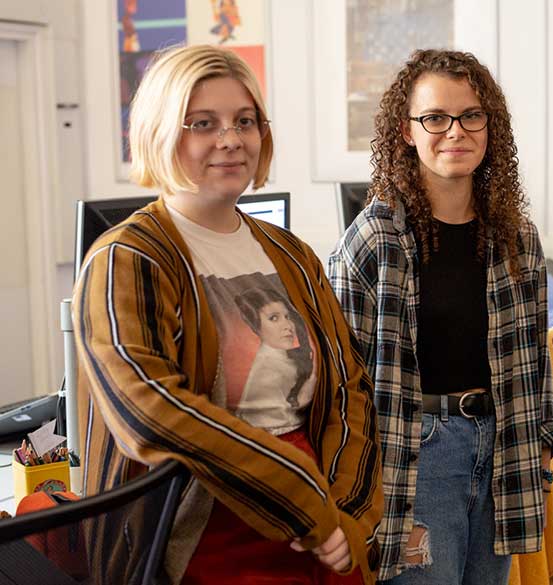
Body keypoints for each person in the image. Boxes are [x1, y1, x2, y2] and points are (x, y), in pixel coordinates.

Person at [72, 45, 383, 585]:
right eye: (202, 123)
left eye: (245, 121)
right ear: (161, 132)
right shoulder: (126, 257)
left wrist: (350, 514)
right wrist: (298, 497)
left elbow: (346, 387)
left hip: (320, 524)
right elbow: (150, 411)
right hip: (205, 524)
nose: (230, 139)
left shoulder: (290, 253)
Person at [327, 49, 553, 585]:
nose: (454, 132)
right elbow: (345, 378)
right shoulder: (375, 238)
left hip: (503, 446)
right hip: (419, 455)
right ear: (407, 130)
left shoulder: (515, 237)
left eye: (471, 116)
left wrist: (545, 444)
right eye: (435, 118)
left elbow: (533, 357)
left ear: (490, 126)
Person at [235, 287, 316, 428]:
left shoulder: (282, 355)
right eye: (274, 318)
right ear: (256, 327)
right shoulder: (266, 370)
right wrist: (308, 387)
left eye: (287, 317)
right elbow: (276, 424)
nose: (288, 326)